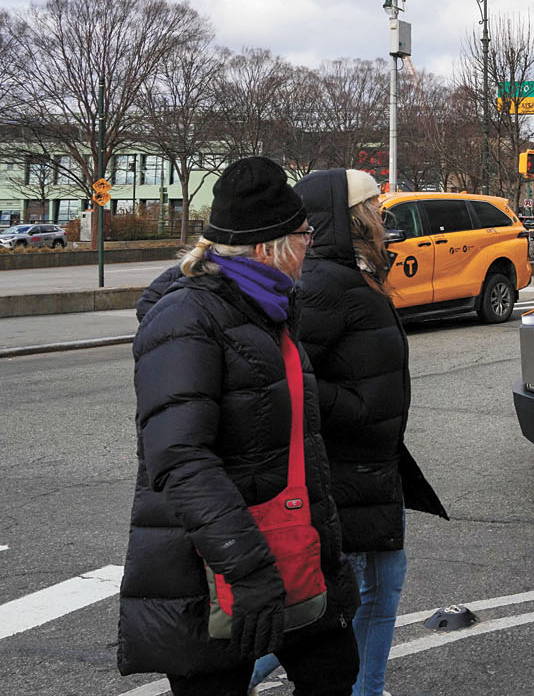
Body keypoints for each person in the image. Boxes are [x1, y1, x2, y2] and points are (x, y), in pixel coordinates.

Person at [117, 157, 360, 695]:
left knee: (335, 670)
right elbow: (180, 457)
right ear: (270, 246)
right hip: (216, 570)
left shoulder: (266, 306)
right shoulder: (187, 317)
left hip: (288, 549)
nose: (310, 245)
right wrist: (248, 572)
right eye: (304, 234)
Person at [249, 169, 448, 696]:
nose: (383, 220)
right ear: (347, 217)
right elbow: (286, 380)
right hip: (346, 473)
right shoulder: (326, 285)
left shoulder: (346, 278)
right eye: (374, 210)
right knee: (342, 604)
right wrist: (363, 407)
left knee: (363, 598)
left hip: (370, 472)